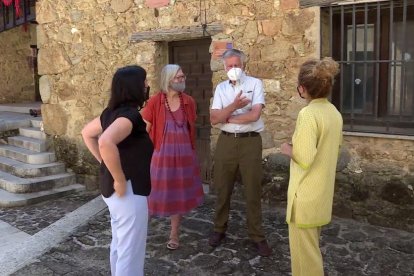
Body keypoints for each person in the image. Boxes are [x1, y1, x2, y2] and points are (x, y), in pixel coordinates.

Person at [81, 65, 153, 276]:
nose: (147, 85)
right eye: (144, 81)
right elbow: (105, 141)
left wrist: (106, 164)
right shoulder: (129, 117)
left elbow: (87, 133)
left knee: (121, 245)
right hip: (128, 191)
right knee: (130, 251)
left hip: (117, 193)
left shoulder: (110, 113)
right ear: (135, 87)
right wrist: (119, 178)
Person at [280, 57, 343, 276]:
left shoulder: (308, 114)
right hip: (321, 194)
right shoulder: (333, 112)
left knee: (306, 258)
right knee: (311, 250)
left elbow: (304, 158)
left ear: (302, 88)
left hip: (304, 197)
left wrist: (288, 150)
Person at [209, 48, 272, 257]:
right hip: (226, 142)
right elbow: (214, 118)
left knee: (253, 189)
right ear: (224, 67)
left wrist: (229, 116)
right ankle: (219, 229)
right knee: (222, 188)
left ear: (243, 65)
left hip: (250, 142)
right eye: (229, 66)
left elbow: (254, 115)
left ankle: (257, 235)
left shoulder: (255, 84)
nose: (233, 69)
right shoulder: (220, 88)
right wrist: (235, 106)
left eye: (236, 65)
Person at [141, 64, 204, 250]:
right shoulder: (154, 102)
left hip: (184, 157)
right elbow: (145, 131)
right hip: (161, 157)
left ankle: (174, 233)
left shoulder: (189, 102)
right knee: (152, 195)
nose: (182, 79)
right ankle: (139, 231)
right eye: (178, 77)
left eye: (183, 76)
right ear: (168, 80)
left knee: (178, 194)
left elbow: (189, 127)